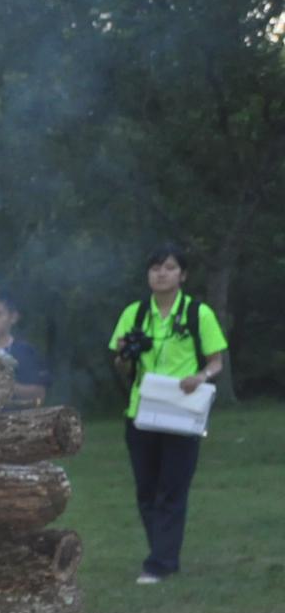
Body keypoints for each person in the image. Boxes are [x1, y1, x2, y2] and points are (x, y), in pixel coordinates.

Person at [108, 243, 228, 585]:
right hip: (141, 411)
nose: (161, 274)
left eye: (170, 267)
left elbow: (216, 361)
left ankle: (159, 562)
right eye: (155, 268)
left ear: (183, 275)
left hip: (182, 410)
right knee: (146, 489)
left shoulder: (197, 313)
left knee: (172, 488)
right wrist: (125, 355)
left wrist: (200, 377)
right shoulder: (134, 313)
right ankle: (164, 553)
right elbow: (120, 361)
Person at [0, 288, 50, 406]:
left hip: (14, 421)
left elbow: (39, 394)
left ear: (13, 317)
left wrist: (4, 386)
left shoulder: (24, 352)